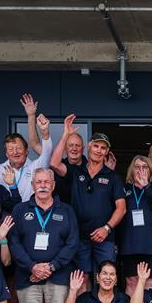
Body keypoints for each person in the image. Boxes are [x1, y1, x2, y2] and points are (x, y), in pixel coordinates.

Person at [9, 168, 79, 303]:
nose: (42, 186)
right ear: (32, 185)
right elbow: (14, 243)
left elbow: (72, 243)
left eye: (46, 182)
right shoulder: (20, 210)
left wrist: (52, 266)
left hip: (58, 278)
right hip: (28, 278)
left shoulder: (66, 211)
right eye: (38, 182)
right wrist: (32, 266)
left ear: (53, 185)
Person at [51, 116, 126, 278]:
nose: (99, 150)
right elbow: (54, 164)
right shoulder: (76, 171)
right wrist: (65, 134)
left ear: (107, 152)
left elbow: (122, 208)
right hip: (79, 237)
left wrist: (107, 228)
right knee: (81, 278)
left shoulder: (113, 177)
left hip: (105, 238)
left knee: (106, 278)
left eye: (103, 148)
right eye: (96, 146)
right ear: (89, 147)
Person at [117, 155, 152, 295]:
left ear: (150, 170)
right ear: (131, 170)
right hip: (129, 244)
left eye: (144, 166)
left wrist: (147, 187)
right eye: (137, 167)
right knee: (131, 281)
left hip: (151, 245)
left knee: (149, 281)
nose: (141, 170)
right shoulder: (124, 189)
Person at [0, 115, 53, 202]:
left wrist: (45, 133)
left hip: (31, 213)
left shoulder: (36, 167)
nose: (15, 152)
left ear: (26, 151)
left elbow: (46, 155)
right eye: (11, 149)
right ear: (6, 153)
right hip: (6, 214)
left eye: (19, 148)